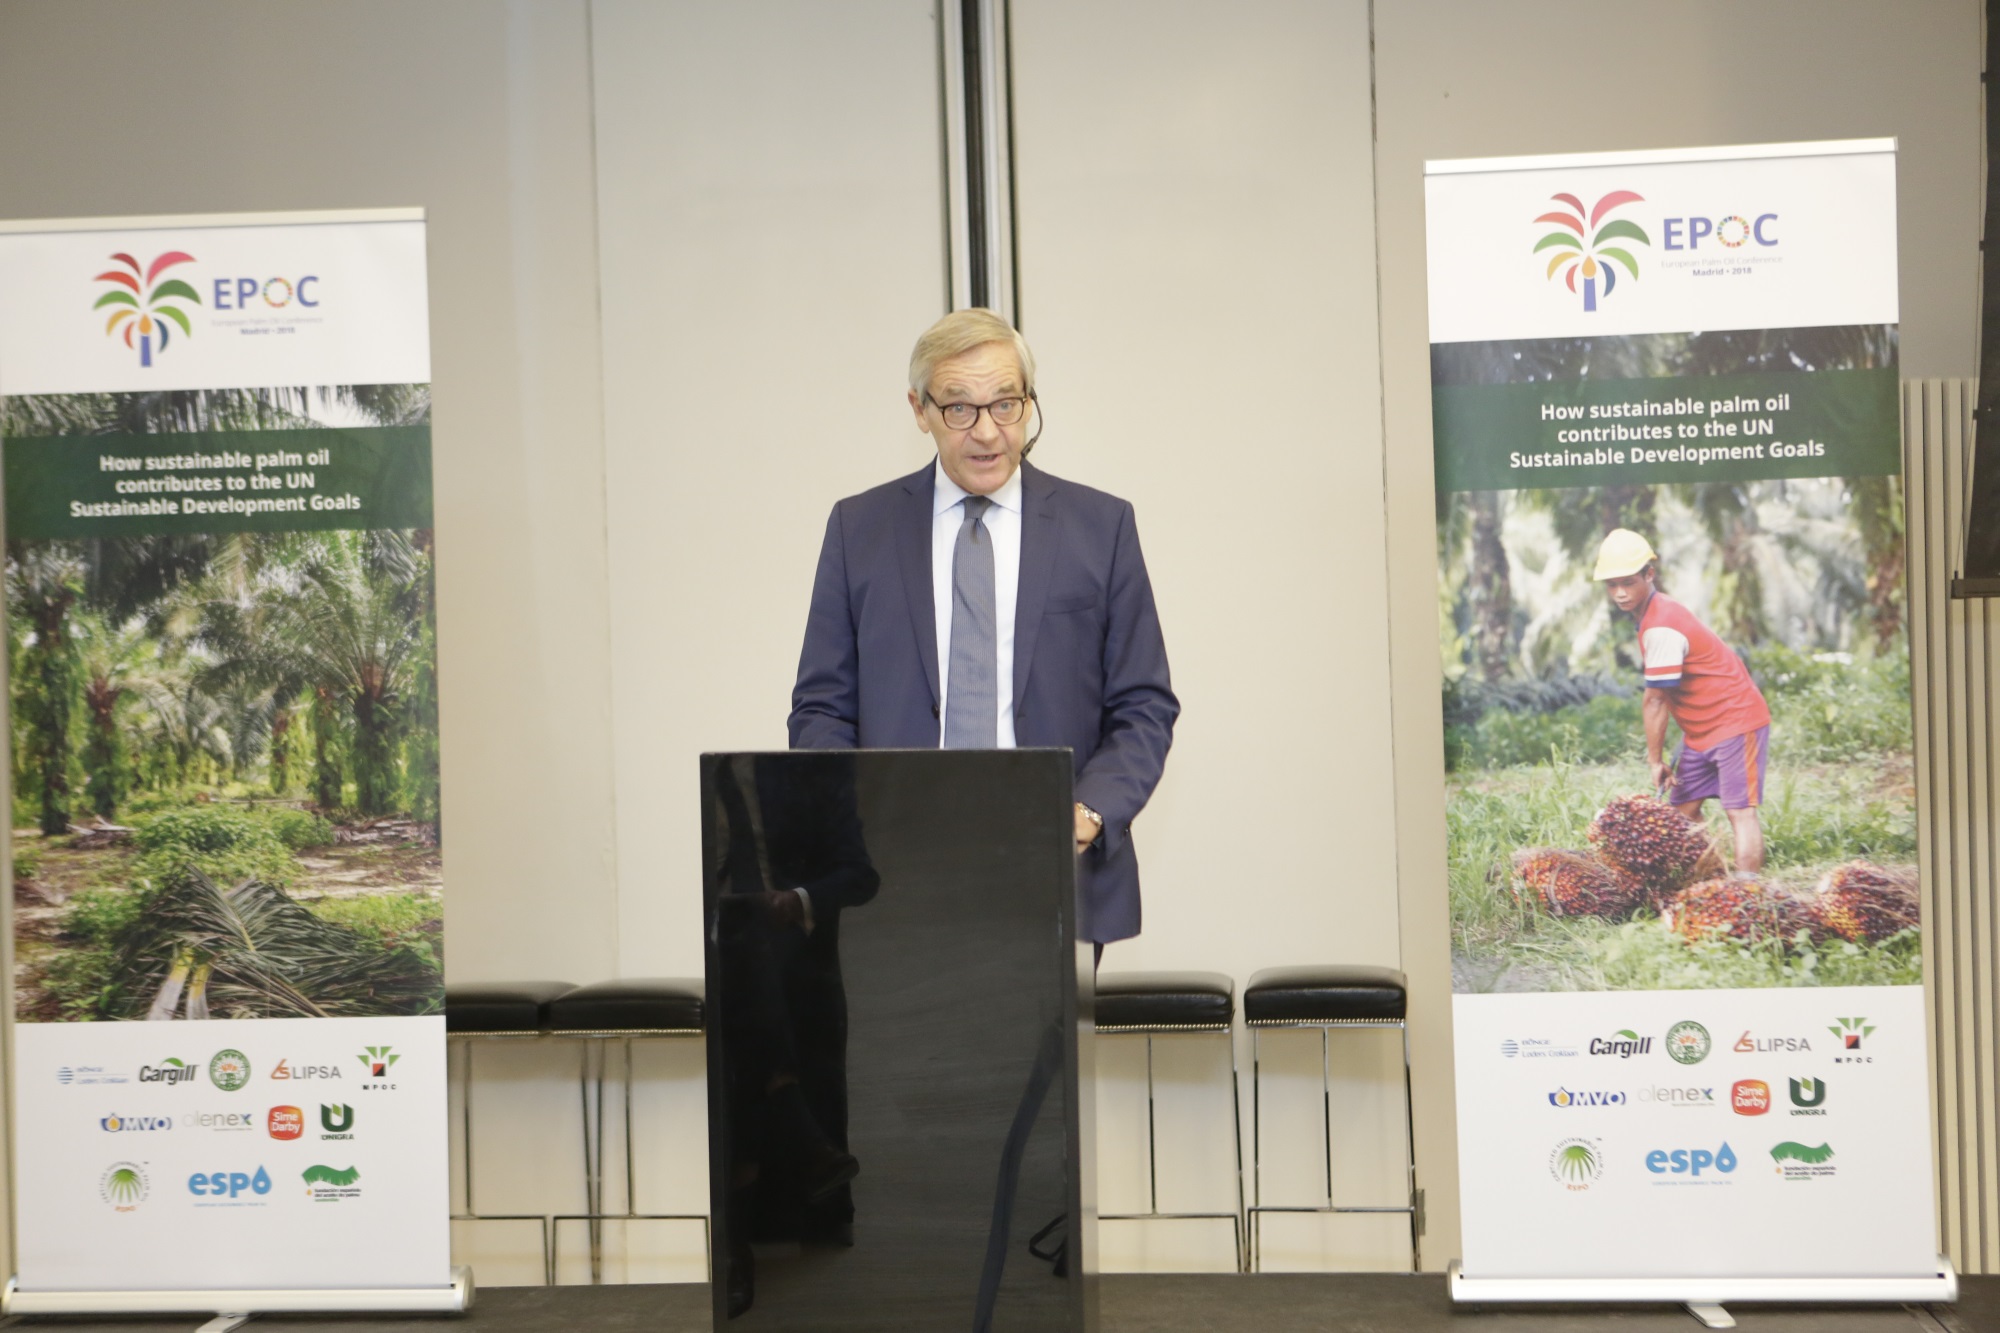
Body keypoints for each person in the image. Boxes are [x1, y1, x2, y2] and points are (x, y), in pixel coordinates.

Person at [789, 307, 1178, 946]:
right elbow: (820, 710)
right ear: (919, 410)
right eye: (960, 409)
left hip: (1053, 873)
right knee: (910, 1050)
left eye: (1006, 404)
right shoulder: (860, 530)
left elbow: (1143, 705)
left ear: (1029, 404)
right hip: (893, 883)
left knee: (1038, 1052)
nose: (988, 432)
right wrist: (857, 823)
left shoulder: (1100, 528)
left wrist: (1083, 816)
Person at [1594, 528, 1771, 874]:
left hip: (1736, 721)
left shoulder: (1661, 625)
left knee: (1740, 811)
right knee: (1682, 813)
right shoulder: (1654, 614)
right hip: (1701, 732)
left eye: (1628, 582)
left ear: (1649, 574)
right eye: (1612, 584)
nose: (1619, 593)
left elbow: (1656, 701)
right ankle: (1712, 878)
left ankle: (1748, 897)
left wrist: (1654, 760)